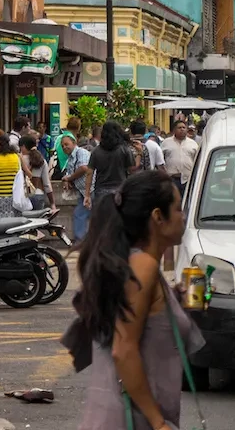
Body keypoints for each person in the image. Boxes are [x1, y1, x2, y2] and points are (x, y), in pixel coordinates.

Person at [74, 170, 197, 430]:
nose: (183, 217)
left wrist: (172, 301)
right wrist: (158, 423)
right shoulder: (142, 266)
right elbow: (124, 349)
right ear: (157, 217)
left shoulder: (139, 264)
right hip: (132, 420)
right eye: (177, 209)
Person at [86, 120, 137, 212]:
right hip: (120, 190)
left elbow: (89, 173)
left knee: (102, 221)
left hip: (101, 191)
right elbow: (132, 169)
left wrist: (87, 195)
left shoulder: (96, 151)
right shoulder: (124, 149)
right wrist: (139, 155)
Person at [61, 132, 93, 241]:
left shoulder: (81, 152)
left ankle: (82, 242)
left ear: (74, 143)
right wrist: (67, 180)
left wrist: (70, 178)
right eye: (62, 146)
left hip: (92, 190)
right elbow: (69, 173)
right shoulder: (70, 158)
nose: (64, 147)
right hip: (83, 192)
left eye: (66, 144)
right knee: (80, 215)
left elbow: (84, 168)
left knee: (81, 215)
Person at [0, 134, 28, 219]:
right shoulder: (17, 156)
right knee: (14, 224)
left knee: (0, 225)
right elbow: (28, 173)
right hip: (15, 197)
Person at [161, 121, 199, 194]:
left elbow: (198, 161)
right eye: (179, 128)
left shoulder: (193, 144)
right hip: (172, 179)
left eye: (184, 127)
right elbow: (160, 160)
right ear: (174, 130)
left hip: (188, 179)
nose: (182, 129)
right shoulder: (166, 143)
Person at [22, 134, 55, 211]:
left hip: (25, 196)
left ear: (23, 147)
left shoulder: (20, 160)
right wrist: (52, 203)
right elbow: (47, 184)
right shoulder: (41, 160)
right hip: (38, 194)